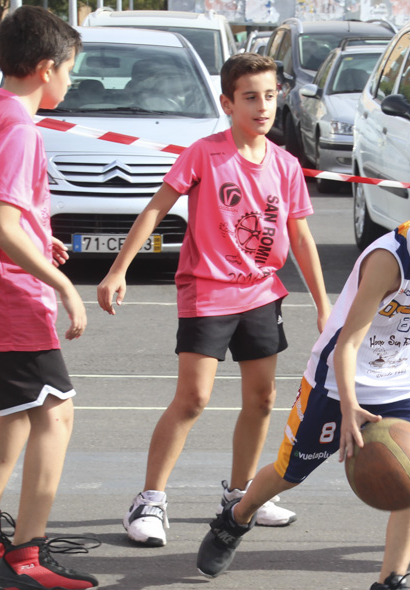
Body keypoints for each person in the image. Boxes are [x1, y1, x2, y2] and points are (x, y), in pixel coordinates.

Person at [195, 161, 410, 590]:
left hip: (404, 383)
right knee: (291, 472)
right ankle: (236, 515)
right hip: (338, 381)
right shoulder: (386, 261)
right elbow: (348, 343)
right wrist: (349, 404)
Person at [97, 52, 330, 548]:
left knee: (262, 399)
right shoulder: (205, 154)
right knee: (193, 398)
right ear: (227, 103)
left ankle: (243, 495)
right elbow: (157, 207)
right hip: (207, 290)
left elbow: (302, 238)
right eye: (250, 97)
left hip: (262, 292)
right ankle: (149, 501)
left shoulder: (286, 165)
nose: (262, 106)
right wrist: (119, 269)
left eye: (270, 96)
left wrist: (323, 304)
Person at [0, 7, 98, 590]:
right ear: (45, 67)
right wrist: (62, 285)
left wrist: (39, 232)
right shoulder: (18, 127)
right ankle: (26, 557)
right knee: (56, 412)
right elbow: (2, 224)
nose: (69, 82)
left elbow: (2, 210)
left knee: (20, 410)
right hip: (5, 291)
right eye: (69, 71)